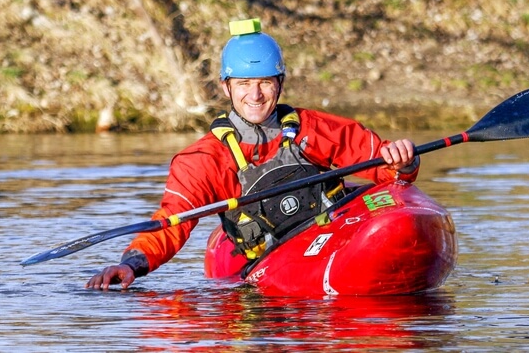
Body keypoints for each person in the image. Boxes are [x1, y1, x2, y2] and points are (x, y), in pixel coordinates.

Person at [86, 18, 420, 291]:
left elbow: (386, 167)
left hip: (334, 233)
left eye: (265, 82)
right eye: (244, 83)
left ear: (280, 83)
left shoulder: (313, 128)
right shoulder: (203, 159)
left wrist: (403, 160)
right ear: (225, 87)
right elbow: (172, 222)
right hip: (272, 260)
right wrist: (130, 264)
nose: (255, 95)